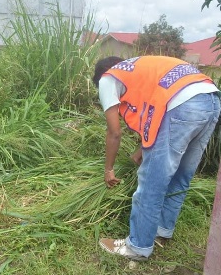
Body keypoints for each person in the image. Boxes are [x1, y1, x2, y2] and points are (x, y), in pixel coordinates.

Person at [93, 55, 220, 260]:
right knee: (180, 175)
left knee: (152, 181)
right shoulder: (139, 68)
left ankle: (137, 247)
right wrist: (141, 150)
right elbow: (155, 113)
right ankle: (162, 230)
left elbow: (114, 132)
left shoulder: (108, 78)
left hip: (182, 104)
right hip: (210, 99)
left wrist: (108, 169)